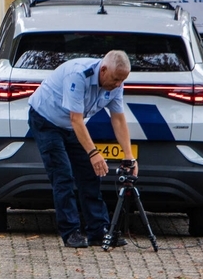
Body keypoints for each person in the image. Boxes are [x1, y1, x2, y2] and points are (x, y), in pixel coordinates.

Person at [27, 50, 138, 248]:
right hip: (47, 121)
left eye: (122, 80)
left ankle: (99, 231)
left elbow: (118, 119)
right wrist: (94, 153)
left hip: (72, 126)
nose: (118, 85)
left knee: (90, 176)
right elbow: (76, 119)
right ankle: (71, 232)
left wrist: (129, 158)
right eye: (115, 79)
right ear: (103, 70)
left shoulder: (116, 83)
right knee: (63, 176)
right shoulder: (78, 76)